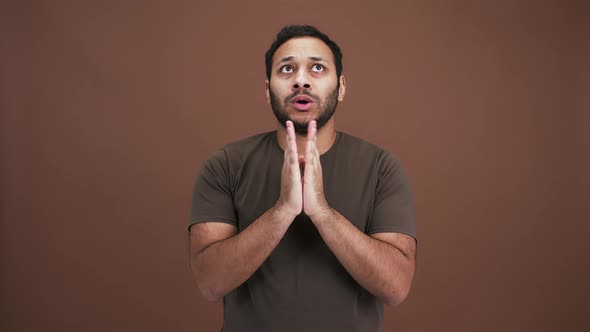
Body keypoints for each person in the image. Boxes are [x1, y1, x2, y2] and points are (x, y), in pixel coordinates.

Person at [188, 25, 417, 332]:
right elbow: (210, 283)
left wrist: (322, 212)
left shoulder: (381, 167)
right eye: (287, 69)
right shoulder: (224, 165)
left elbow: (396, 287)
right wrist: (282, 210)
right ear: (268, 90)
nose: (301, 80)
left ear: (342, 86)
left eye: (317, 68)